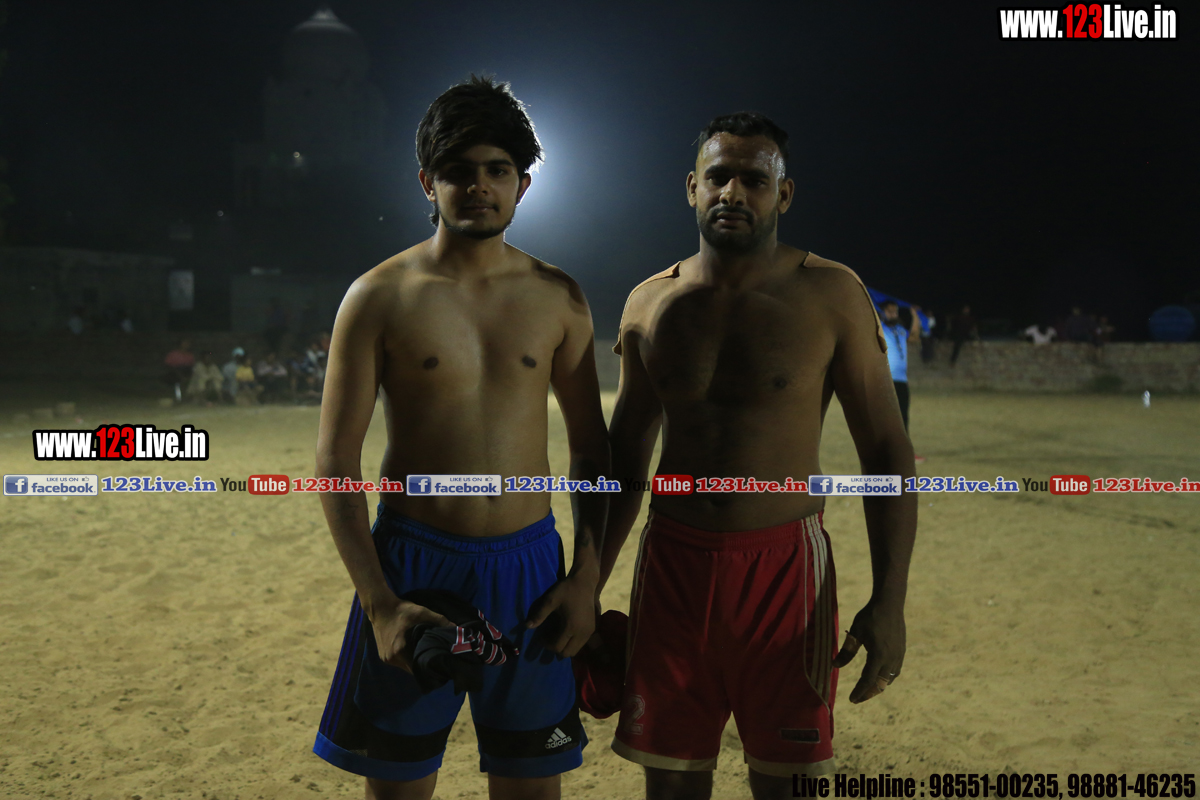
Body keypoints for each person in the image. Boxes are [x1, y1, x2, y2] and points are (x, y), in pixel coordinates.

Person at [598, 112, 916, 800]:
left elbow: (886, 449)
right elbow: (625, 457)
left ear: (784, 194)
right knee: (670, 786)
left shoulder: (831, 295)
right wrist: (585, 583)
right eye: (718, 176)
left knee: (788, 785)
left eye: (754, 179)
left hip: (785, 575)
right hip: (672, 570)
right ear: (692, 187)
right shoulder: (648, 303)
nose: (733, 193)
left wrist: (890, 600)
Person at [312, 75, 608, 800]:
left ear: (522, 184)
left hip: (532, 571)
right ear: (427, 181)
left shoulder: (559, 296)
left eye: (497, 170)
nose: (478, 186)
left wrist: (587, 579)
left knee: (531, 786)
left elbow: (591, 452)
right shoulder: (377, 297)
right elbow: (336, 460)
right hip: (414, 565)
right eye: (458, 170)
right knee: (400, 785)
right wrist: (380, 603)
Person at [880, 300, 921, 432]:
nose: (893, 314)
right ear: (883, 312)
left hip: (901, 380)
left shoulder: (901, 330)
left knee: (903, 416)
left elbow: (914, 337)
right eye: (889, 311)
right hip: (885, 380)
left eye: (895, 311)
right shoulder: (879, 328)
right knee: (885, 416)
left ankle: (903, 443)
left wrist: (914, 315)